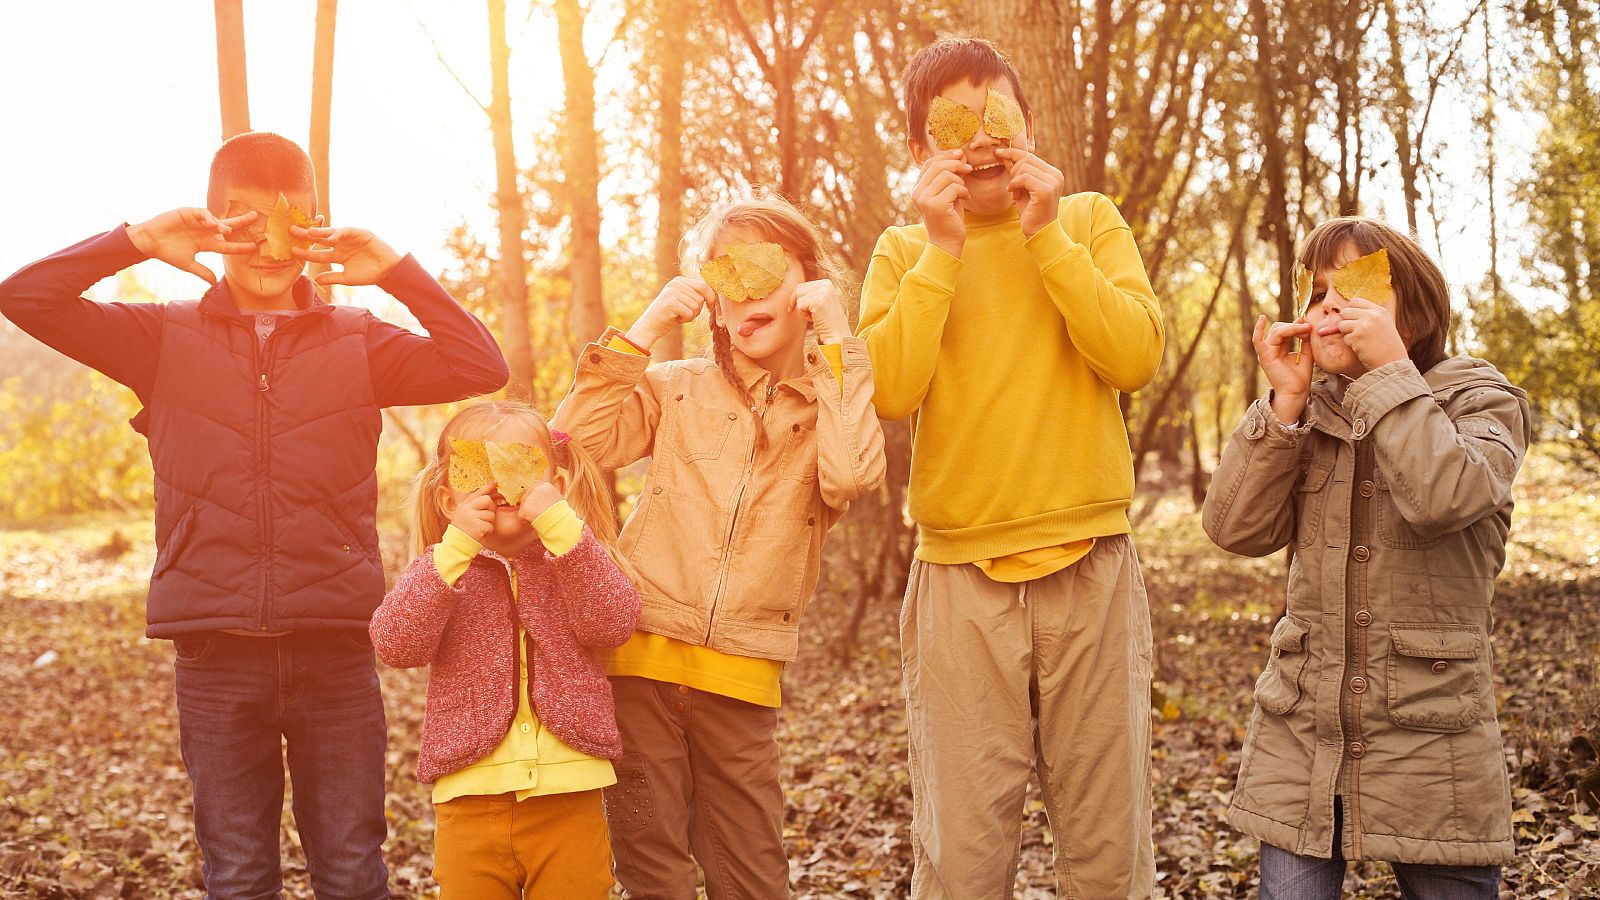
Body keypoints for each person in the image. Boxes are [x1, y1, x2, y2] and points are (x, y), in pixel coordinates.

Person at [0, 131, 509, 898]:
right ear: (214, 224)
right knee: (237, 877)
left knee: (352, 872)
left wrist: (397, 272)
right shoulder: (160, 338)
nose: (271, 246)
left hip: (334, 653)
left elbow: (481, 367)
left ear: (316, 226)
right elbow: (23, 297)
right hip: (214, 655)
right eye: (244, 221)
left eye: (293, 222)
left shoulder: (358, 341)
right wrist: (138, 240)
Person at [856, 36, 1166, 898]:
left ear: (1028, 126)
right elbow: (887, 389)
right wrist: (942, 248)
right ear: (921, 152)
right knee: (961, 855)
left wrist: (1046, 239)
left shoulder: (1091, 219)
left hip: (1092, 563)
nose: (984, 141)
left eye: (998, 116)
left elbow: (1133, 356)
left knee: (1109, 851)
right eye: (956, 125)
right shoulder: (900, 250)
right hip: (959, 578)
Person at [553, 194, 887, 898]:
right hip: (638, 664)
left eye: (767, 270)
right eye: (727, 276)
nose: (748, 293)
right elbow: (570, 446)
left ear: (809, 281)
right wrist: (643, 329)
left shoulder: (830, 404)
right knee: (653, 868)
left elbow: (854, 472)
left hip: (740, 679)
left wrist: (836, 336)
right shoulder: (676, 389)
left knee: (752, 876)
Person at [1203, 217, 1527, 899]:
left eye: (1356, 289)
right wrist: (1285, 406)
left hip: (1433, 739)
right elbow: (1234, 528)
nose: (1331, 308)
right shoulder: (1312, 410)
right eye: (1318, 293)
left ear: (1415, 308)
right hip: (1305, 733)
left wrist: (1389, 375)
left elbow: (1448, 493)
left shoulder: (1480, 396)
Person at [370, 401, 640, 898]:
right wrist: (454, 549)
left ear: (555, 488)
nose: (498, 485)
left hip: (570, 792)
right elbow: (395, 643)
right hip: (469, 799)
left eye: (517, 463)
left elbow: (614, 622)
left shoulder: (574, 559)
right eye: (480, 468)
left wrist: (562, 529)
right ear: (449, 501)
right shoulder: (442, 568)